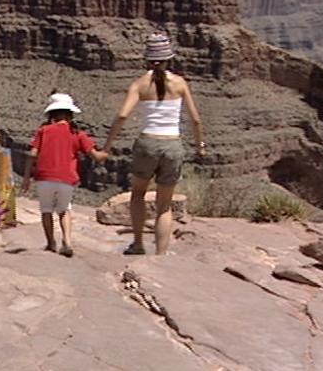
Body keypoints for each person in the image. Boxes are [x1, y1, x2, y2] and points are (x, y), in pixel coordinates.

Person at [102, 33, 206, 256]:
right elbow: (196, 119)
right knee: (164, 206)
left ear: (147, 59)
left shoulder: (139, 84)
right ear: (169, 58)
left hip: (147, 143)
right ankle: (161, 255)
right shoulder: (179, 83)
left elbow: (122, 115)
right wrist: (200, 146)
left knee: (138, 194)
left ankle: (138, 244)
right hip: (172, 145)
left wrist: (108, 145)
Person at [22, 93, 109, 257]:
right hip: (66, 178)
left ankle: (50, 243)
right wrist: (106, 153)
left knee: (46, 210)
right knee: (64, 210)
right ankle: (67, 242)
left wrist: (26, 178)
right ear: (70, 114)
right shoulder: (78, 134)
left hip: (44, 177)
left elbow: (32, 154)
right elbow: (96, 156)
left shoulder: (43, 131)